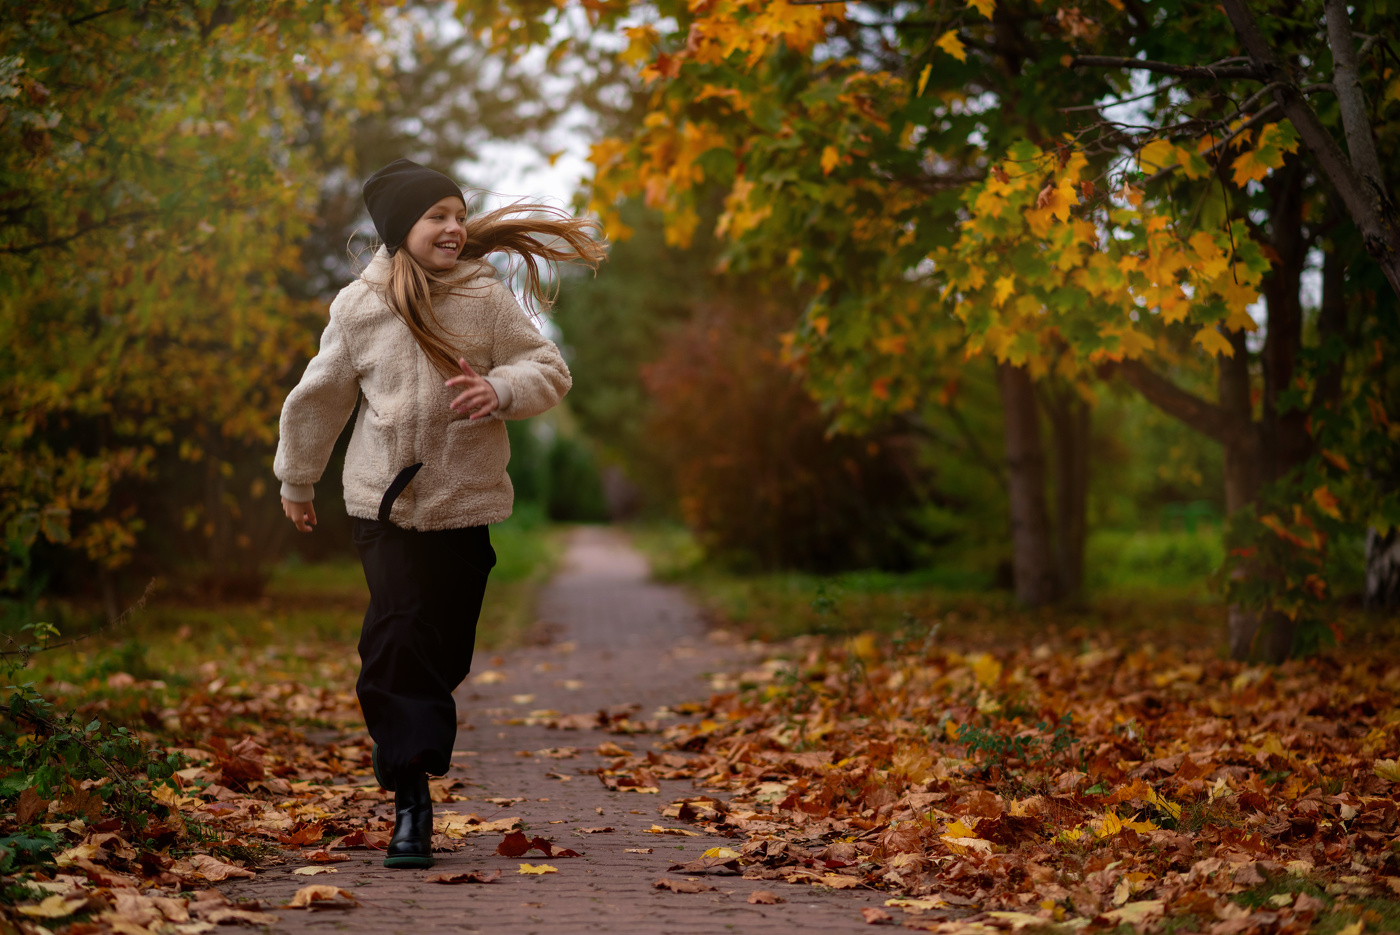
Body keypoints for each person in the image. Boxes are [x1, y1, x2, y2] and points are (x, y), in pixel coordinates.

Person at [273, 158, 604, 869]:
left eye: (458, 215)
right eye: (437, 217)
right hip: (384, 507)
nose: (454, 228)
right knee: (393, 639)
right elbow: (320, 395)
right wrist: (297, 478)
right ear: (402, 230)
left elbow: (549, 368)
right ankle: (411, 797)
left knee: (442, 650)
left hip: (465, 505)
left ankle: (403, 736)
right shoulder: (360, 308)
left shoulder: (485, 300)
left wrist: (500, 388)